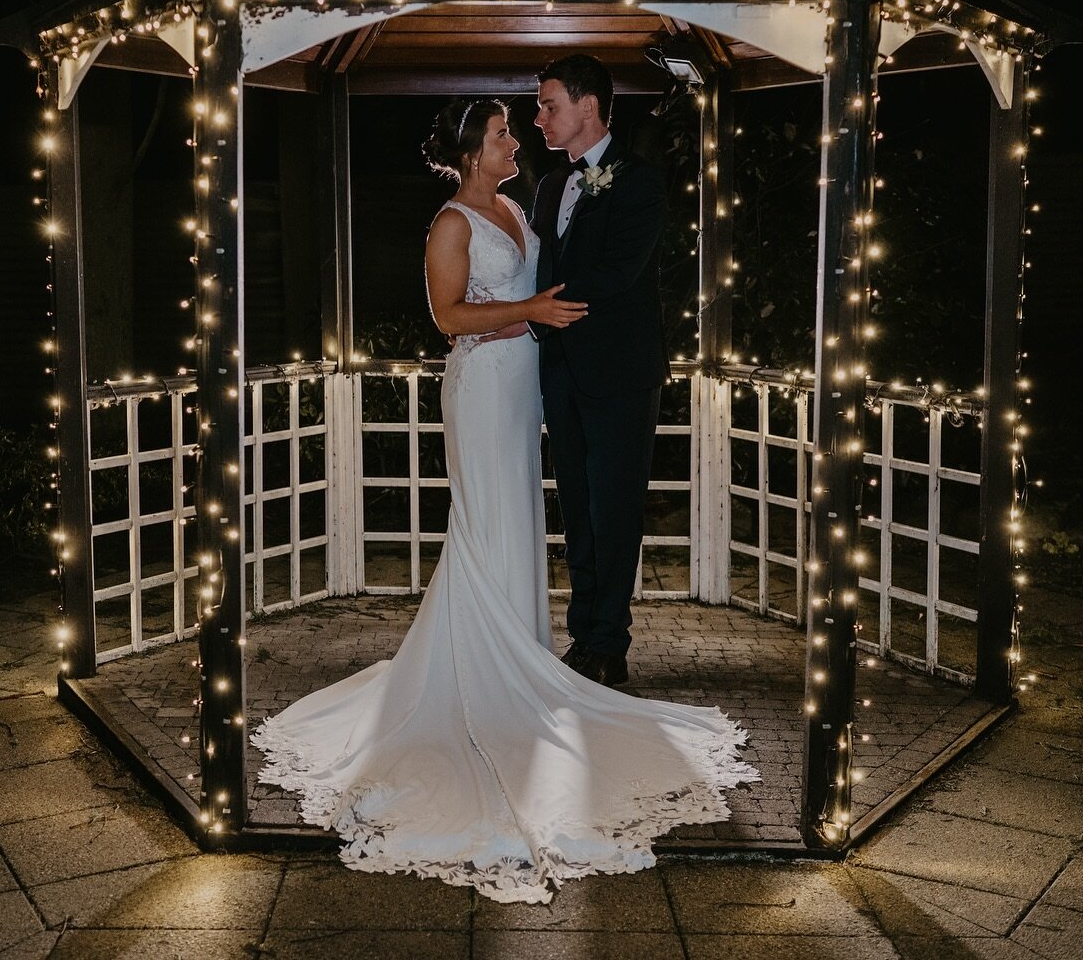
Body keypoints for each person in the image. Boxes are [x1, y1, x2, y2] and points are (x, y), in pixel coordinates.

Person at [251, 98, 757, 905]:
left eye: (516, 129)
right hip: (485, 387)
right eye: (499, 134)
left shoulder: (517, 206)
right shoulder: (450, 222)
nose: (514, 139)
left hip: (526, 388)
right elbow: (447, 315)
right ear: (468, 151)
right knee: (486, 523)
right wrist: (527, 309)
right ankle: (483, 678)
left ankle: (519, 651)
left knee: (519, 520)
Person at [530, 54, 669, 688]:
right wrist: (525, 313)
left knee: (615, 510)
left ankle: (610, 644)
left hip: (618, 371)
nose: (540, 119)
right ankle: (583, 635)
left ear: (589, 106)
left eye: (549, 105)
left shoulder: (638, 181)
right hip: (561, 371)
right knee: (578, 509)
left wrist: (544, 305)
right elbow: (541, 262)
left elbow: (620, 272)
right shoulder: (552, 185)